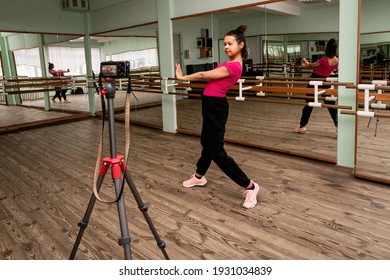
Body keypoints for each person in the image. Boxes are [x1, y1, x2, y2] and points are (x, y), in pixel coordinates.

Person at [175, 25, 260, 209]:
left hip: (216, 107)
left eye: (230, 44)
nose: (226, 47)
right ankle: (199, 177)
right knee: (207, 143)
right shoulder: (229, 62)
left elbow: (204, 74)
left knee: (217, 151)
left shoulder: (234, 66)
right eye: (225, 44)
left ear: (241, 45)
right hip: (210, 105)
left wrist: (182, 78)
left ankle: (250, 186)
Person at [294, 38, 339, 133]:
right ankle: (339, 126)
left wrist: (302, 66)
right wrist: (307, 64)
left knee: (308, 104)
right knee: (331, 105)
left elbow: (312, 66)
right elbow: (318, 68)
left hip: (314, 81)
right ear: (336, 49)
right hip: (325, 82)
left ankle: (302, 126)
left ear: (327, 49)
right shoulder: (337, 61)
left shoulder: (323, 60)